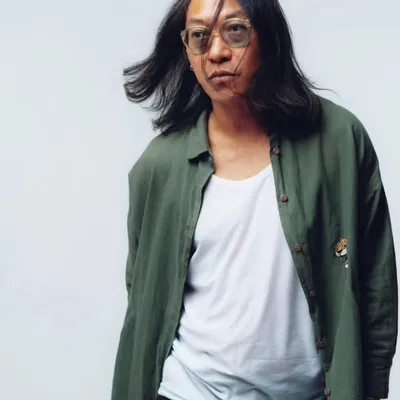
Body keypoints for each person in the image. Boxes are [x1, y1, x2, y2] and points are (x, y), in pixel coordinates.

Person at [111, 0, 398, 399]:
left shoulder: (339, 141)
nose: (216, 52)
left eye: (235, 30)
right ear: (188, 54)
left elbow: (376, 281)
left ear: (268, 38)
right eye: (200, 37)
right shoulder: (158, 167)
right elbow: (144, 291)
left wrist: (372, 386)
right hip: (188, 390)